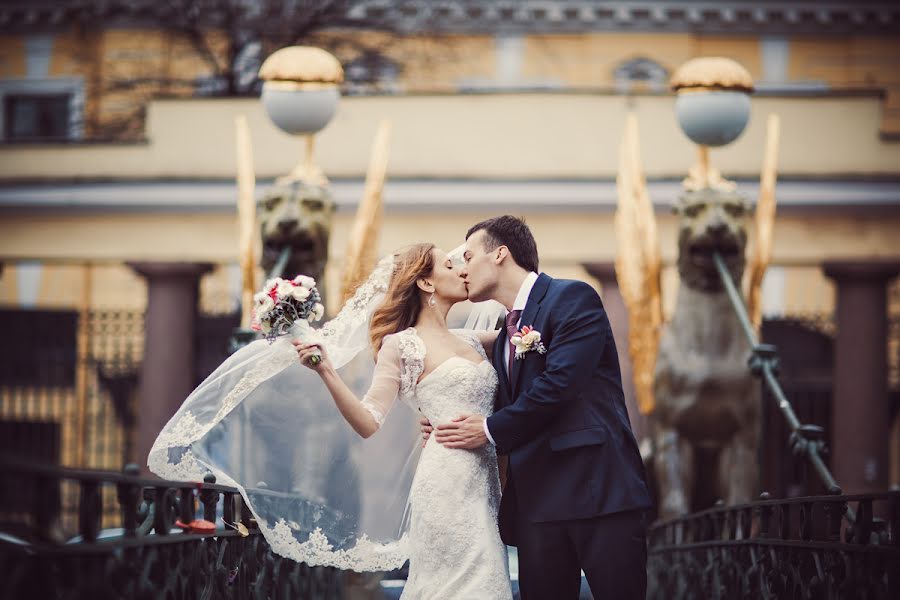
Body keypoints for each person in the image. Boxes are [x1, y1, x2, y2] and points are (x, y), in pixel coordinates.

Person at [424, 215, 653, 600]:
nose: (462, 269)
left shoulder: (573, 298)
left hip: (598, 491)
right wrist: (448, 419)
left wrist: (487, 429)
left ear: (500, 254)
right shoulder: (507, 328)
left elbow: (559, 384)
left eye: (467, 256)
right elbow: (499, 391)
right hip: (536, 504)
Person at [295, 243, 513, 600]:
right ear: (426, 283)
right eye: (449, 265)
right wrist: (327, 372)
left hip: (486, 486)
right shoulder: (401, 346)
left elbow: (526, 337)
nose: (462, 270)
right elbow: (368, 421)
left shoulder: (475, 342)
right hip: (444, 486)